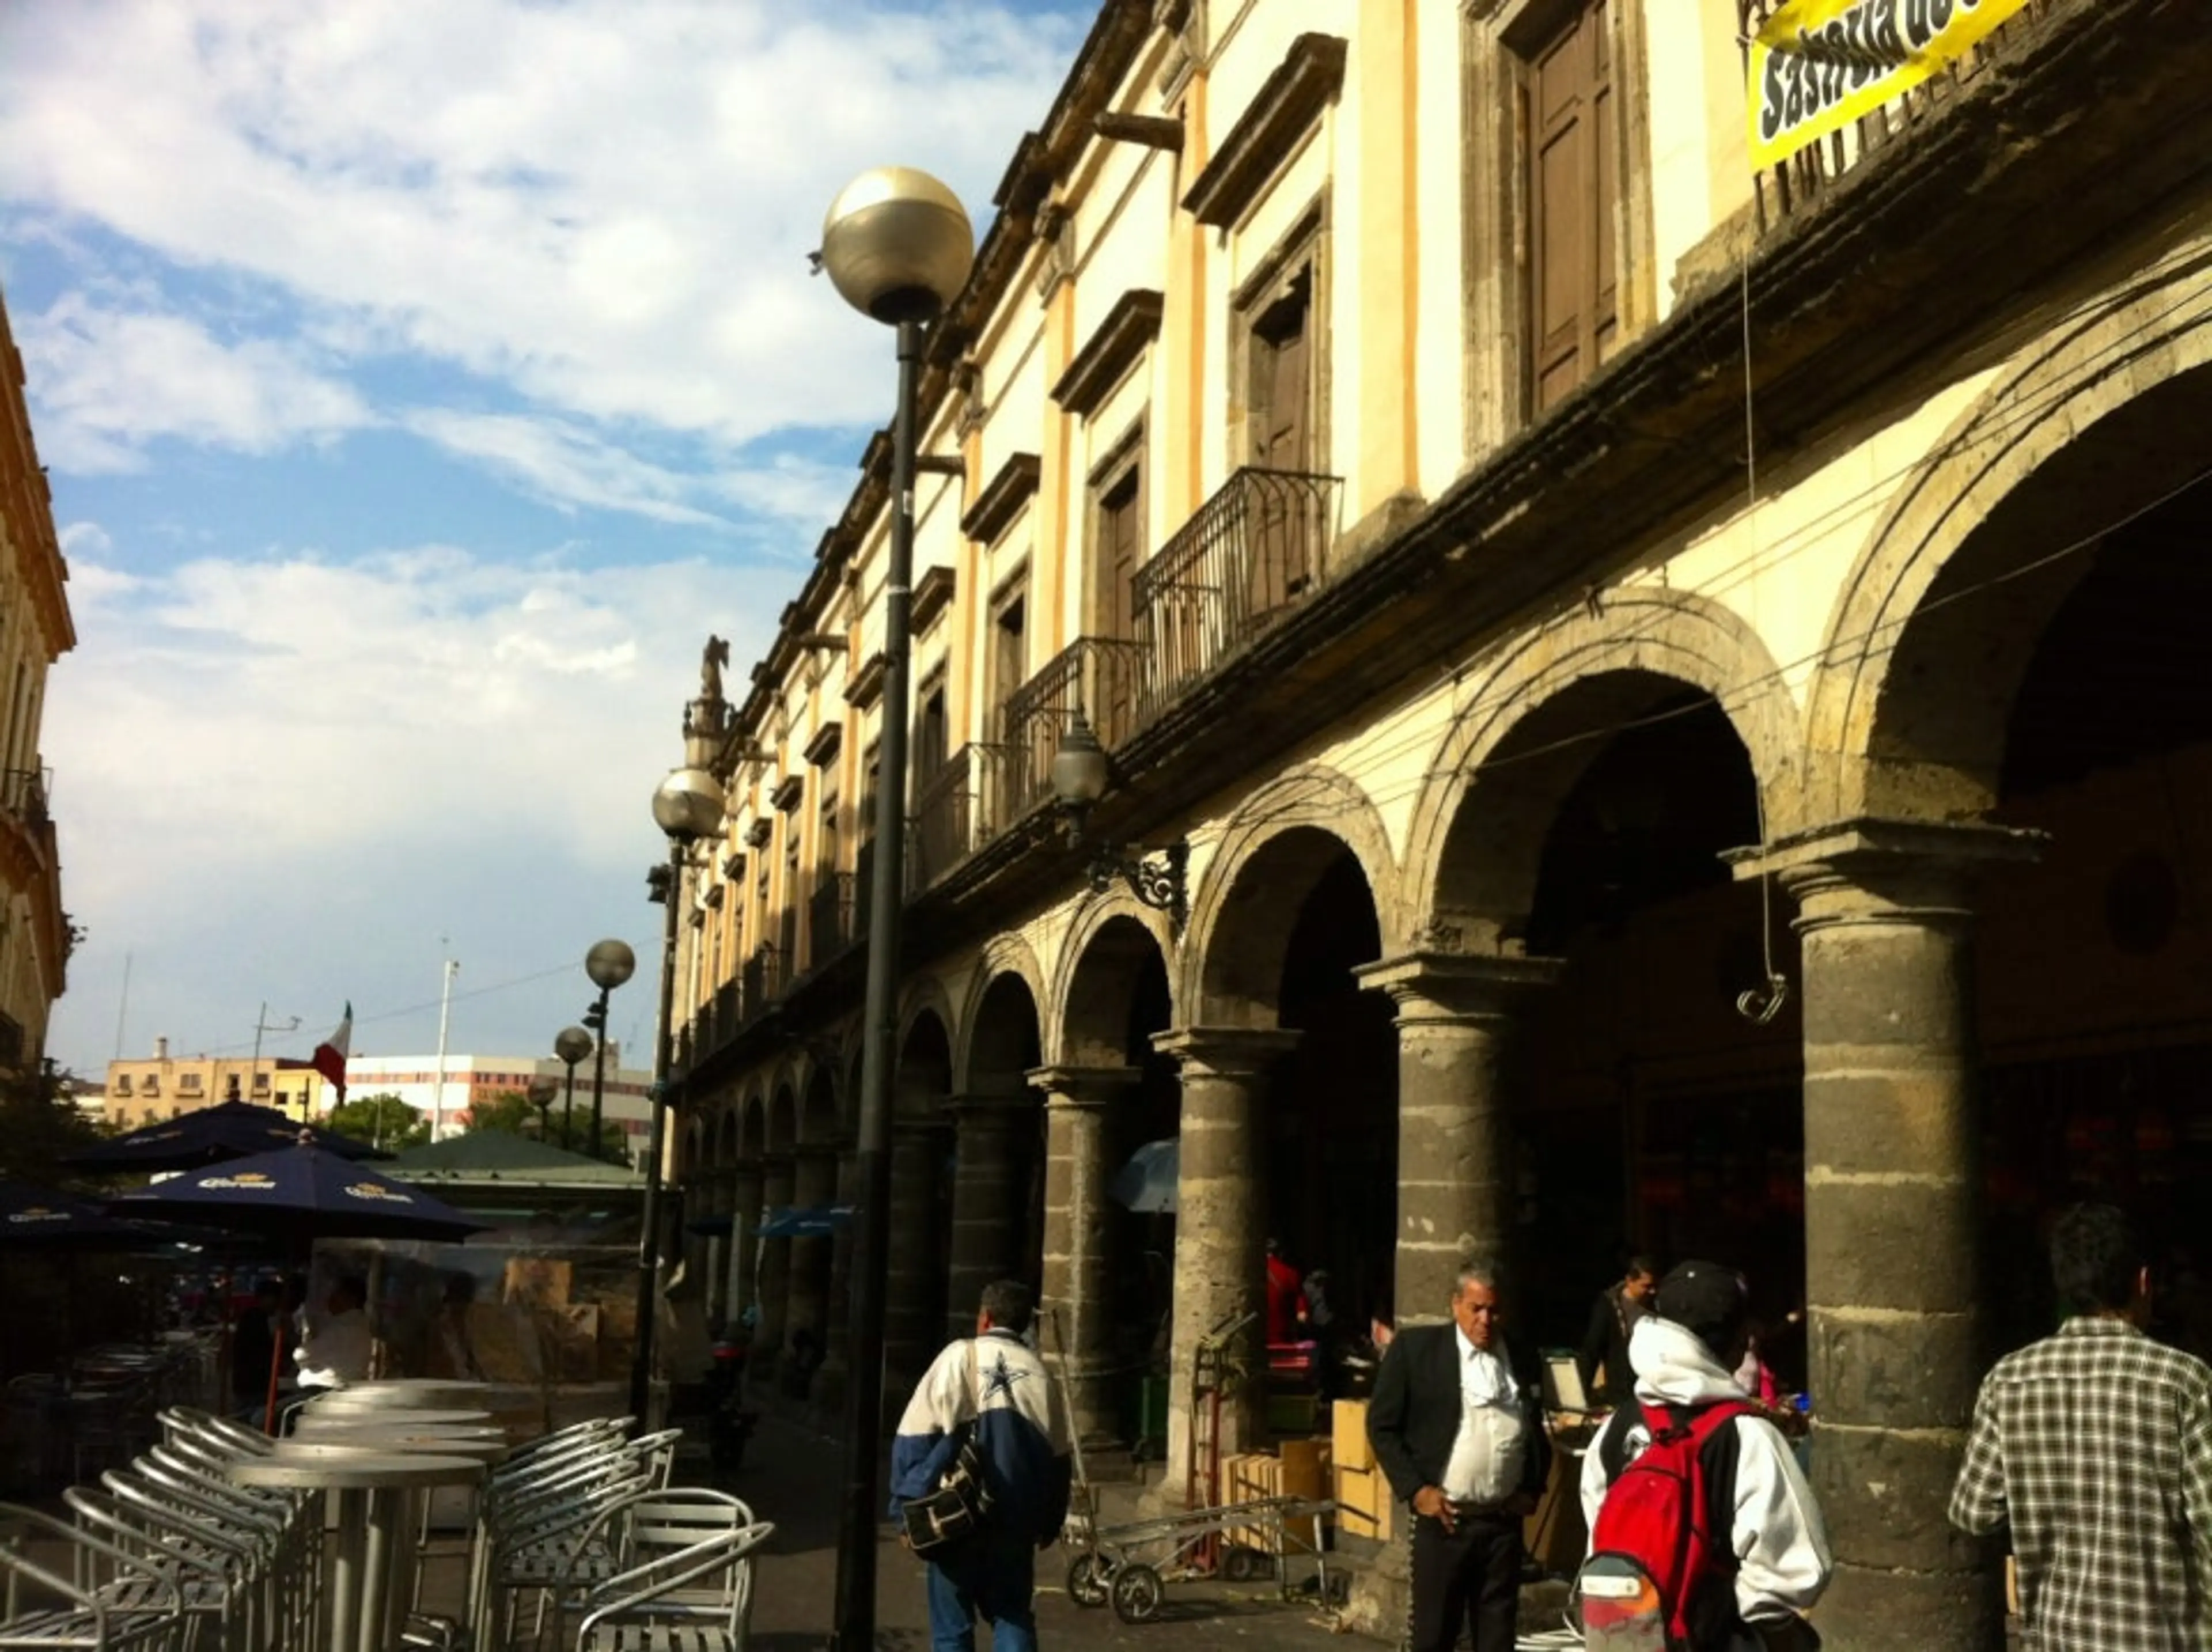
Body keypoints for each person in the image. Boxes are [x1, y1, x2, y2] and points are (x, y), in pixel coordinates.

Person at [1950, 1203, 2212, 1650]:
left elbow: (1972, 1512)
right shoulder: (2182, 1381)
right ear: (2143, 1283)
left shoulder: (2009, 1379)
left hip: (2057, 1636)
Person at [1579, 1260, 1831, 1650]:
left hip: (1628, 1636)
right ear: (1734, 1340)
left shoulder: (1614, 1429)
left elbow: (1599, 1538)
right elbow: (1792, 1568)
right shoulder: (1746, 1435)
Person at [1367, 1260, 1551, 1652]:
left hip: (1502, 1526)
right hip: (1446, 1524)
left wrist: (1531, 1489)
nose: (1485, 1320)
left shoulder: (1519, 1354)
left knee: (1497, 1637)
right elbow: (1382, 1427)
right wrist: (1416, 1490)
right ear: (1456, 1305)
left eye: (1494, 1310)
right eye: (1476, 1308)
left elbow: (1535, 1428)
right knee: (1435, 1636)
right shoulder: (1417, 1351)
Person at [890, 1279, 1072, 1652]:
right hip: (1014, 1519)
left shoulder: (957, 1357)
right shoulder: (1041, 1373)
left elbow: (914, 1437)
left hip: (955, 1515)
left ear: (985, 1318)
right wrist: (1050, 1521)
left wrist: (903, 1509)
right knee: (1013, 1614)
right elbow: (1058, 1461)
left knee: (952, 1628)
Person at [1577, 1255, 1660, 1409]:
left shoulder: (1658, 1308)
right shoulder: (1609, 1306)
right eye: (1646, 1286)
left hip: (1652, 1390)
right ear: (1630, 1281)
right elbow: (1592, 1348)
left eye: (1654, 1286)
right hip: (1622, 1392)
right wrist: (1581, 1393)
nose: (1652, 1291)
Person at [294, 1275, 373, 1391]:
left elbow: (300, 1355)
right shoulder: (363, 1328)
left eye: (337, 1295)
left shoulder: (342, 1328)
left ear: (351, 1299)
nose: (330, 1299)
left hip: (323, 1388)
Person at [229, 1277, 281, 1418]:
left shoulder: (256, 1317)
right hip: (253, 1382)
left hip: (249, 1381)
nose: (278, 1304)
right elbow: (261, 1349)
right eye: (276, 1298)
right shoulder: (255, 1319)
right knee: (250, 1418)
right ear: (266, 1298)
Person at [1265, 1238, 1305, 1345]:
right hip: (1281, 1333)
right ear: (1281, 1253)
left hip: (1256, 1333)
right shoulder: (1290, 1274)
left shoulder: (1252, 1272)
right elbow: (1302, 1313)